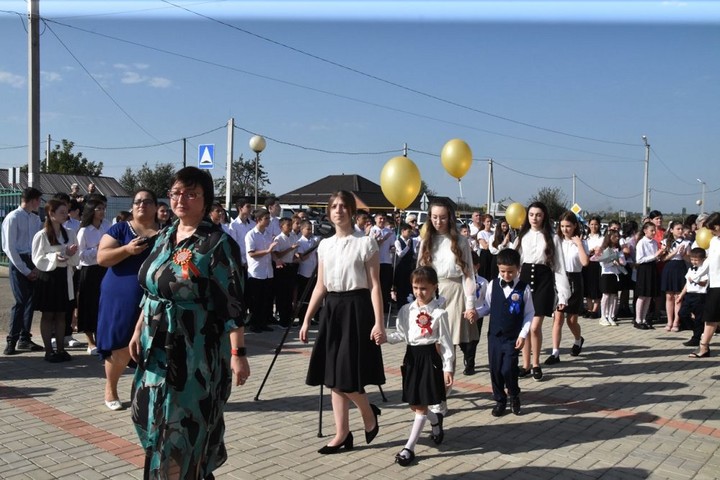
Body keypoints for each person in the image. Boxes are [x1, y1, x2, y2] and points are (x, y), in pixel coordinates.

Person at [128, 167, 249, 479]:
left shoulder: (217, 244)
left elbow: (232, 305)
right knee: (150, 419)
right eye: (177, 192)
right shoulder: (165, 236)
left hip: (193, 354)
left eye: (191, 193)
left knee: (181, 430)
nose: (182, 199)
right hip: (155, 350)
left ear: (205, 200)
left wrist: (238, 355)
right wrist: (138, 329)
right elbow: (151, 287)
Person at [299, 190, 385, 455]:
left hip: (357, 310)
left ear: (351, 211)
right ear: (329, 212)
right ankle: (342, 434)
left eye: (343, 206)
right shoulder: (325, 245)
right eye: (334, 206)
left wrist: (379, 322)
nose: (338, 210)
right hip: (332, 311)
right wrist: (306, 319)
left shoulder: (365, 243)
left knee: (346, 375)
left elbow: (374, 286)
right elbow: (320, 286)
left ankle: (368, 412)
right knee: (332, 376)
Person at [96, 189, 159, 410]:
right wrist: (126, 249)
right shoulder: (121, 229)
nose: (142, 205)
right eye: (138, 202)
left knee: (152, 343)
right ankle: (111, 388)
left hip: (153, 295)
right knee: (120, 343)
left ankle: (148, 392)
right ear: (132, 206)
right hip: (120, 294)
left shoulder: (165, 233)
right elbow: (102, 257)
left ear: (156, 207)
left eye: (147, 201)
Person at [384, 266, 453, 467]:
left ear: (434, 287)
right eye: (415, 287)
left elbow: (446, 342)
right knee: (415, 403)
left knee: (422, 405)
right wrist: (385, 338)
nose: (419, 292)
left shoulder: (439, 313)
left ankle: (409, 448)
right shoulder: (407, 310)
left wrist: (447, 368)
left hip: (429, 357)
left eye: (423, 288)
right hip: (412, 358)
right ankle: (435, 421)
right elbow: (401, 335)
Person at [417, 198, 476, 416]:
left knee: (447, 345)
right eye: (434, 217)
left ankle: (441, 396)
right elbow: (418, 271)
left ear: (449, 217)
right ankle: (437, 388)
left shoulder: (460, 242)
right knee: (432, 345)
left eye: (442, 217)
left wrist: (470, 303)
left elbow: (469, 274)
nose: (438, 221)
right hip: (430, 294)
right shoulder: (425, 241)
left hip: (453, 293)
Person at [513, 201, 570, 381]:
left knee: (535, 326)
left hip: (543, 282)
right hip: (524, 283)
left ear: (544, 216)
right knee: (525, 326)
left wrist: (563, 294)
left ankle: (536, 363)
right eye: (531, 215)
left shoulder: (552, 238)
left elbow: (559, 267)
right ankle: (526, 365)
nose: (534, 218)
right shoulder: (522, 236)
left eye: (538, 215)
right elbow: (514, 262)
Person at [476, 248, 534, 417]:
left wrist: (523, 334)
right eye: (503, 271)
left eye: (511, 272)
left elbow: (529, 313)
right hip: (494, 335)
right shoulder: (493, 284)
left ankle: (514, 394)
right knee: (495, 369)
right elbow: (487, 307)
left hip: (512, 337)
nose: (506, 275)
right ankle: (500, 400)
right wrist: (476, 313)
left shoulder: (524, 288)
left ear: (518, 269)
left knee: (508, 369)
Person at [32, 199, 80, 362]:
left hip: (64, 277)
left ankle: (61, 349)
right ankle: (48, 350)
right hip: (48, 277)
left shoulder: (70, 233)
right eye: (61, 212)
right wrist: (56, 256)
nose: (65, 215)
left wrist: (70, 254)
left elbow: (75, 257)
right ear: (51, 214)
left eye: (66, 211)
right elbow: (37, 258)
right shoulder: (42, 235)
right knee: (48, 314)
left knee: (62, 314)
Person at [2, 187, 44, 355]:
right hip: (18, 261)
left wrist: (35, 266)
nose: (39, 204)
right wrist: (26, 270)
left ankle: (24, 338)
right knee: (20, 301)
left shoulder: (35, 219)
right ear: (32, 200)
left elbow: (37, 242)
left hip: (32, 260)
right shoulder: (13, 218)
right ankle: (12, 340)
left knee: (31, 302)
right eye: (38, 200)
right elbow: (9, 248)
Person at [546, 212, 588, 365]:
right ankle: (555, 353)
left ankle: (578, 340)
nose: (565, 229)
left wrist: (579, 244)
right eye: (562, 226)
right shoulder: (557, 241)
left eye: (568, 226)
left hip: (575, 280)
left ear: (575, 226)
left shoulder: (580, 242)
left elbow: (585, 263)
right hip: (559, 279)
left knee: (571, 321)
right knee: (558, 318)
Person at [76, 199, 110, 354]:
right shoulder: (84, 230)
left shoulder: (106, 226)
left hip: (104, 269)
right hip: (89, 271)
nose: (102, 211)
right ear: (91, 211)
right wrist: (97, 250)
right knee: (88, 305)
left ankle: (102, 338)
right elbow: (80, 255)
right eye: (98, 208)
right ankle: (90, 342)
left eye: (103, 208)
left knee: (102, 305)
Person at [688, 212, 720, 358]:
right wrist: (698, 275)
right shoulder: (714, 241)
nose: (711, 232)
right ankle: (704, 347)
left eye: (712, 228)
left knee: (712, 317)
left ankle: (704, 346)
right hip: (715, 284)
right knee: (711, 316)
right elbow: (708, 261)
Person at [245, 208, 277, 333]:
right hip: (256, 272)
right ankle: (254, 324)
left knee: (266, 299)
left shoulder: (268, 234)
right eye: (266, 218)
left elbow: (271, 251)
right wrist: (268, 251)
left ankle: (263, 322)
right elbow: (252, 253)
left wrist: (275, 257)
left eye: (269, 218)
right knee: (256, 300)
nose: (268, 221)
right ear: (258, 220)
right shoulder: (251, 235)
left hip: (267, 270)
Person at [634, 221, 667, 330]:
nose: (653, 233)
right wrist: (654, 256)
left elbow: (654, 257)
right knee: (642, 295)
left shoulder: (653, 243)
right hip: (644, 269)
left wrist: (659, 255)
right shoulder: (641, 243)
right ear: (645, 231)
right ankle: (638, 319)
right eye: (651, 230)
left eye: (654, 231)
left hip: (652, 268)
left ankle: (644, 319)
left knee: (649, 295)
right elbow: (639, 259)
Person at [660, 221, 691, 332]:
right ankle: (669, 321)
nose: (680, 231)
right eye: (678, 229)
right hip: (669, 267)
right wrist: (674, 252)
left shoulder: (686, 242)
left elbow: (689, 260)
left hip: (680, 267)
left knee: (678, 296)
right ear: (672, 230)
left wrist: (683, 255)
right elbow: (663, 258)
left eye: (681, 229)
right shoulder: (665, 242)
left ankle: (676, 321)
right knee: (669, 296)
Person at [676, 248, 708, 347]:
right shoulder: (690, 269)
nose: (694, 262)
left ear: (703, 260)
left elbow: (704, 283)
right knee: (682, 313)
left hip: (700, 296)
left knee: (698, 317)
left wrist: (696, 280)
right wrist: (681, 295)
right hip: (689, 295)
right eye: (692, 259)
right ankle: (696, 329)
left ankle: (696, 338)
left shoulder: (704, 270)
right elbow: (687, 284)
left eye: (696, 260)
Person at [594, 229, 626, 326]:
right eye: (614, 237)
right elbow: (602, 263)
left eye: (618, 237)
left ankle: (611, 316)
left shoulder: (618, 249)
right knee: (606, 295)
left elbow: (624, 262)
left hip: (615, 275)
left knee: (613, 296)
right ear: (609, 237)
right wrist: (612, 263)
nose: (616, 239)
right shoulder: (604, 249)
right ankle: (603, 316)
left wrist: (619, 261)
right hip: (606, 274)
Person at [273, 217, 299, 327]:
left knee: (289, 294)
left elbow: (294, 252)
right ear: (281, 226)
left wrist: (295, 256)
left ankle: (288, 318)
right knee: (282, 294)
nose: (289, 227)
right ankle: (282, 319)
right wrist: (290, 248)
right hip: (282, 267)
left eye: (290, 224)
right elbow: (278, 254)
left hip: (291, 266)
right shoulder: (278, 239)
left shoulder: (293, 237)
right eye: (287, 225)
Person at [370, 213, 394, 315]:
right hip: (376, 261)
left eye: (384, 219)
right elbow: (371, 246)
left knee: (385, 285)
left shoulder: (389, 232)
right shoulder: (372, 230)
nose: (382, 220)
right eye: (380, 218)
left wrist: (393, 248)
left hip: (387, 261)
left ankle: (385, 305)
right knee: (376, 284)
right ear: (375, 219)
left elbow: (393, 245)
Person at [582, 216, 603, 319]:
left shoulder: (601, 238)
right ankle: (589, 309)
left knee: (596, 286)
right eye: (591, 224)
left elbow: (601, 250)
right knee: (588, 286)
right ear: (588, 225)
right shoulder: (585, 238)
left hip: (597, 264)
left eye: (596, 224)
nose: (593, 226)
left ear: (599, 225)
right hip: (587, 263)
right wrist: (590, 251)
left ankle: (595, 310)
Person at [394, 223, 417, 309]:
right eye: (408, 231)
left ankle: (407, 304)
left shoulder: (411, 241)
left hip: (409, 267)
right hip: (401, 267)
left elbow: (413, 254)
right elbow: (400, 254)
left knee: (408, 286)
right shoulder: (398, 241)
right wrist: (407, 246)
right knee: (400, 287)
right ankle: (400, 305)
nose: (410, 233)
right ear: (403, 231)